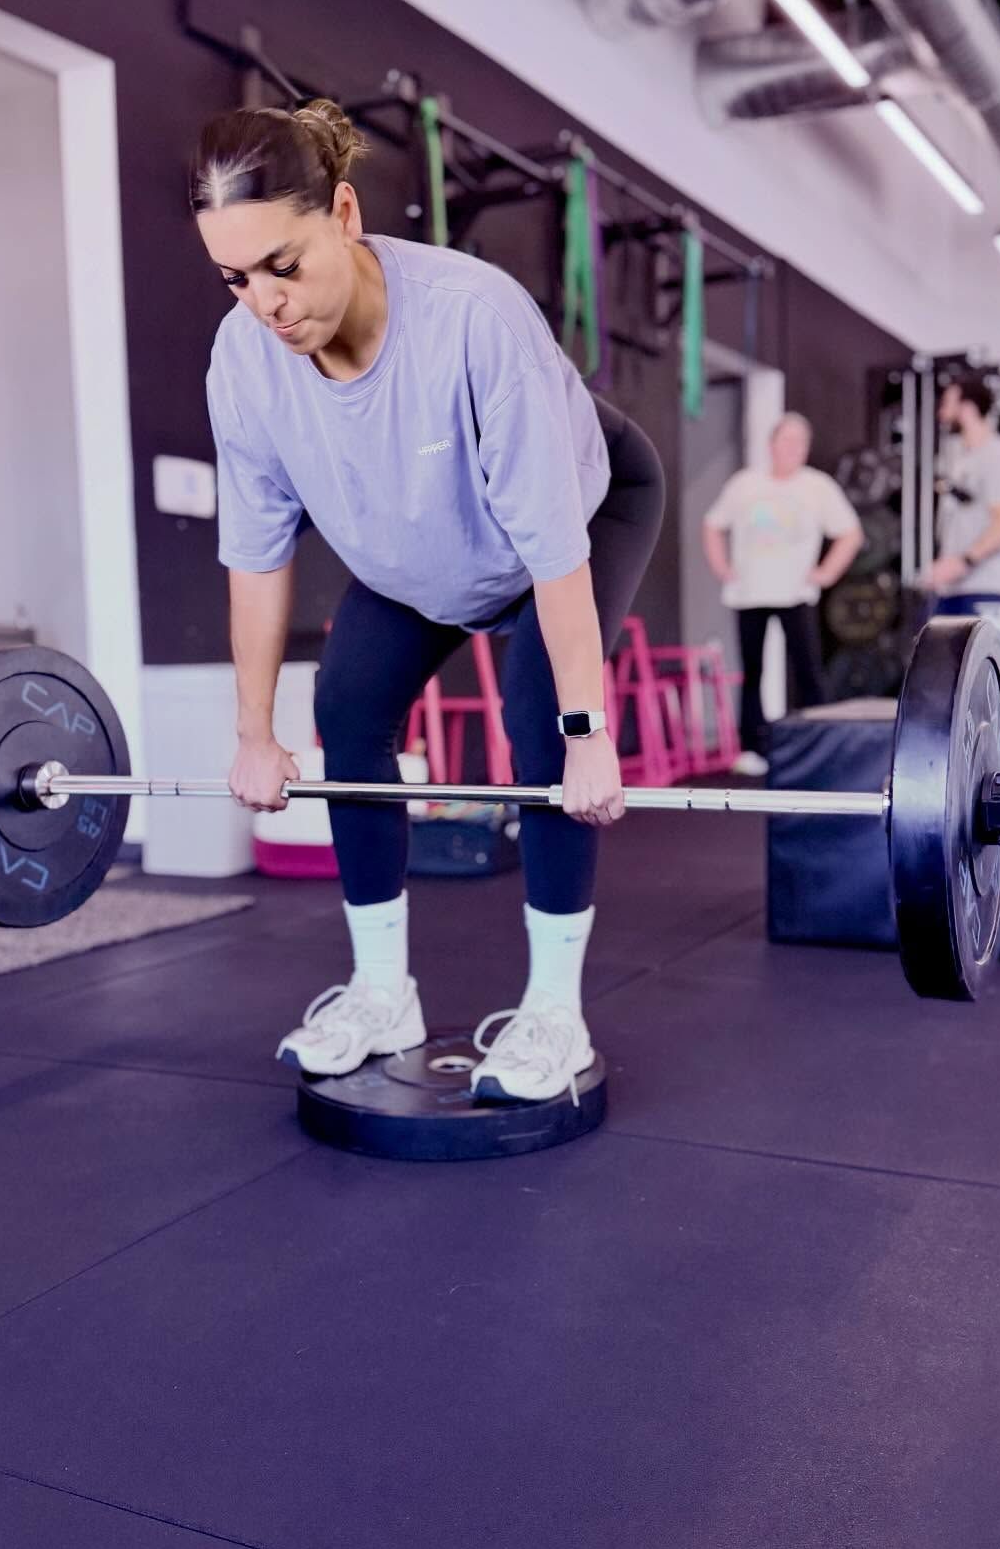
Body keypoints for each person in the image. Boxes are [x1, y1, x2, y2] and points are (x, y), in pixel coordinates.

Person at [194, 101, 664, 1104]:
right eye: (236, 279)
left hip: (581, 505)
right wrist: (252, 730)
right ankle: (380, 990)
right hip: (426, 547)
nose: (265, 303)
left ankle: (553, 1009)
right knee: (348, 705)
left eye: (283, 264)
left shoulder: (473, 316)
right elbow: (257, 554)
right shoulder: (244, 365)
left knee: (541, 717)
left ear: (347, 211)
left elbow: (549, 547)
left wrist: (589, 735)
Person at [701, 414, 863, 775]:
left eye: (800, 442)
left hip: (796, 594)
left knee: (808, 672)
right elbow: (712, 525)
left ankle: (821, 748)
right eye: (786, 440)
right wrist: (721, 566)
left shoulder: (817, 487)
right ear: (771, 443)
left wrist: (826, 573)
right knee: (752, 672)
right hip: (749, 593)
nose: (792, 448)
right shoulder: (745, 484)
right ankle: (753, 749)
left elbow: (850, 533)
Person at [924, 374, 1000, 671]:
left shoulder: (998, 456)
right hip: (955, 590)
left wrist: (962, 562)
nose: (941, 412)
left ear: (967, 408)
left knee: (988, 687)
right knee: (949, 685)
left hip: (988, 589)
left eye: (947, 404)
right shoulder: (961, 459)